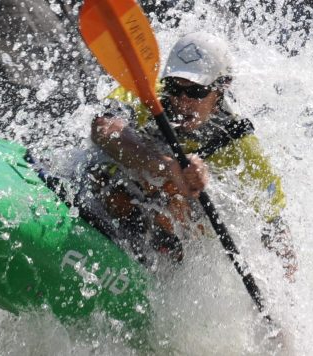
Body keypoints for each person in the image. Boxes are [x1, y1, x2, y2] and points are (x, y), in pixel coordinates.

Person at [82, 32, 296, 280]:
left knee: (177, 196)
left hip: (177, 232)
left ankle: (156, 273)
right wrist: (166, 166)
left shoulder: (238, 143)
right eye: (175, 87)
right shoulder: (145, 94)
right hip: (115, 198)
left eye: (196, 92)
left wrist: (285, 286)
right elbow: (103, 130)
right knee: (118, 175)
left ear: (221, 88)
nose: (182, 100)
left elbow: (274, 224)